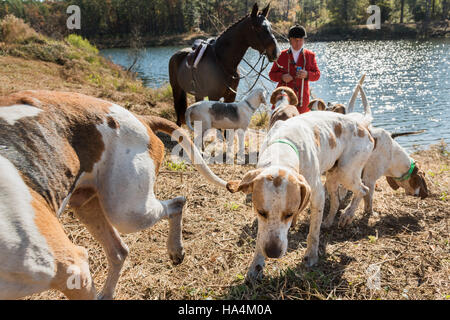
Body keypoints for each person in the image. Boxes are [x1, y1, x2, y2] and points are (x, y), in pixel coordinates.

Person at [268, 25, 320, 114]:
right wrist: (282, 77)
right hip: (283, 98)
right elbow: (272, 75)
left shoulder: (310, 55)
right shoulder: (281, 55)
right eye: (296, 40)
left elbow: (317, 74)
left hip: (302, 100)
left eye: (301, 40)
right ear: (290, 40)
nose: (299, 42)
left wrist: (307, 74)